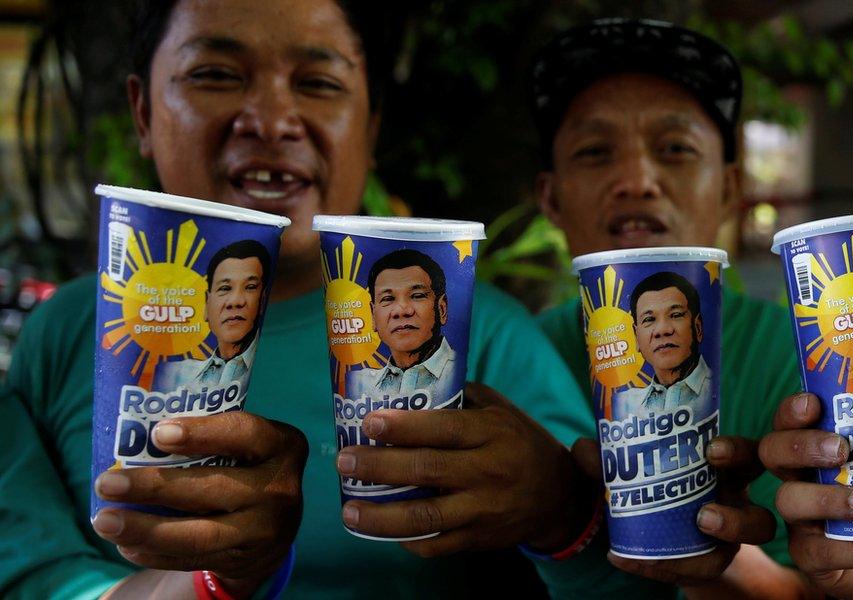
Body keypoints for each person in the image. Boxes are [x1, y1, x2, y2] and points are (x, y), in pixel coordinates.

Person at [0, 2, 638, 598]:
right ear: (142, 113)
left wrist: (563, 514)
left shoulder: (486, 338)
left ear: (371, 124)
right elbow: (33, 571)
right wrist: (221, 578)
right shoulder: (67, 331)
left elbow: (629, 577)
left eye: (319, 83)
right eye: (217, 74)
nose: (271, 120)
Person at [528, 18, 853, 598]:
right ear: (550, 197)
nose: (637, 180)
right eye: (595, 151)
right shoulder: (513, 360)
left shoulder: (814, 360)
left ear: (731, 187)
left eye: (675, 148)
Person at [153, 239, 271, 392]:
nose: (235, 301)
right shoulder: (172, 374)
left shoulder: (270, 372)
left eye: (250, 287)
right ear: (207, 304)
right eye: (225, 288)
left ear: (262, 300)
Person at [346, 249, 458, 404]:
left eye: (417, 296)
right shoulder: (357, 385)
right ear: (373, 315)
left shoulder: (461, 375)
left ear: (442, 309)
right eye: (388, 298)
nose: (401, 310)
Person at [614, 272, 713, 422]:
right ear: (636, 337)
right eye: (649, 319)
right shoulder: (624, 405)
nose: (662, 330)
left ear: (698, 327)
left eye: (675, 315)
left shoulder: (719, 391)